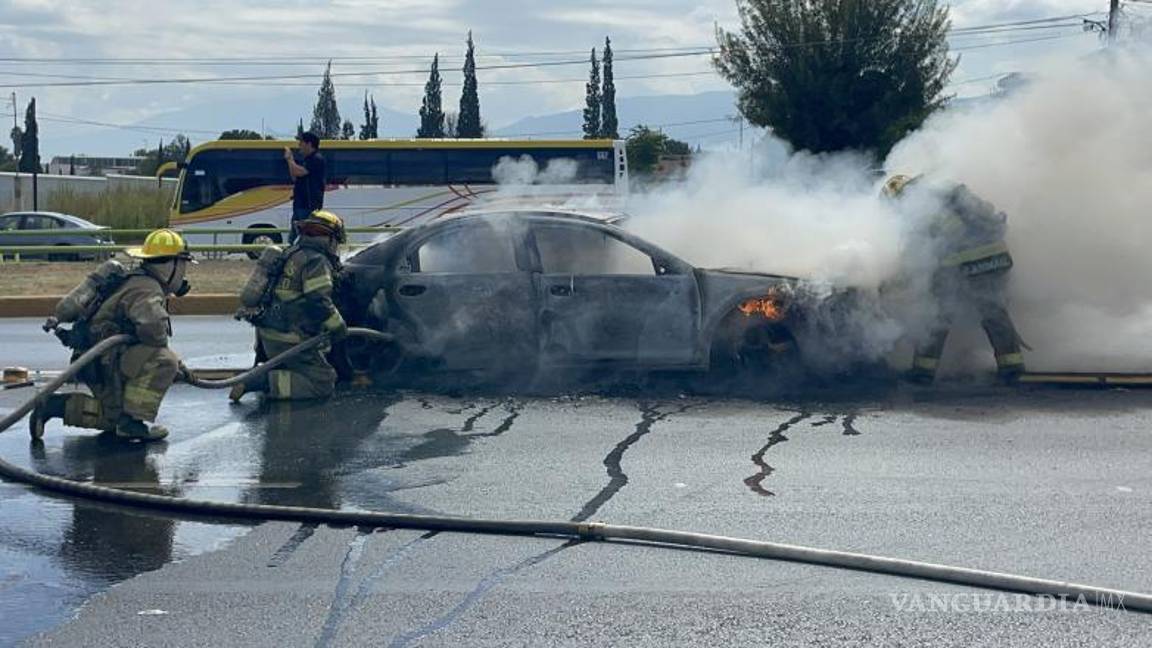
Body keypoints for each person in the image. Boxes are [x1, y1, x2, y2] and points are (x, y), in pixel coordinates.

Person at [30, 229, 195, 441]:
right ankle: (132, 422)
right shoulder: (147, 289)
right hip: (105, 362)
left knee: (111, 420)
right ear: (171, 265)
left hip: (97, 361)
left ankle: (52, 406)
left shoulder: (136, 280)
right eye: (183, 265)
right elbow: (154, 332)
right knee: (165, 361)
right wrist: (176, 365)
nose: (183, 273)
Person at [883, 174, 1025, 384]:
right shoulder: (947, 192)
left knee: (937, 316)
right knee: (994, 313)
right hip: (994, 257)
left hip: (962, 263)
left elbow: (927, 247)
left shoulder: (921, 206)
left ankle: (923, 372)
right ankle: (1012, 368)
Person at [230, 210, 348, 402]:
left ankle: (264, 373)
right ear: (330, 239)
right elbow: (318, 301)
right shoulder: (316, 261)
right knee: (322, 383)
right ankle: (261, 381)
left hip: (267, 336)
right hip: (291, 339)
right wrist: (338, 327)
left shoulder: (290, 253)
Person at [285, 131, 326, 245]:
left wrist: (290, 159)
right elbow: (294, 176)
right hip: (300, 204)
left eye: (301, 142)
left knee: (303, 238)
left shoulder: (316, 159)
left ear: (309, 144)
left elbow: (299, 172)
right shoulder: (306, 160)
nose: (299, 145)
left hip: (308, 206)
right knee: (294, 239)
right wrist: (290, 162)